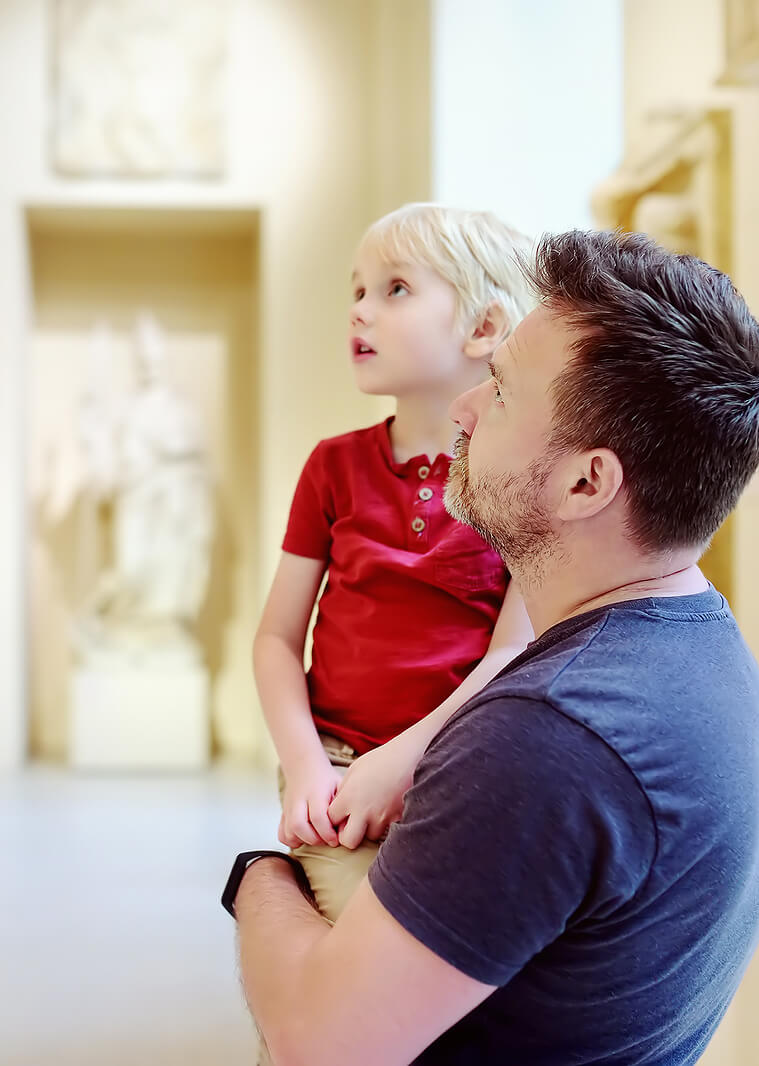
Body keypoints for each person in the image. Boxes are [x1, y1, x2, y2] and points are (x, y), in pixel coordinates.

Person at [226, 229, 759, 1065]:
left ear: (584, 482)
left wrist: (257, 879)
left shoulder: (544, 741)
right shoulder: (703, 647)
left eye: (496, 390)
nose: (462, 409)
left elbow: (320, 1042)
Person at [254, 203, 536, 922]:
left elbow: (513, 652)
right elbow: (275, 640)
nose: (359, 312)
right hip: (338, 768)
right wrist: (305, 768)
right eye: (356, 291)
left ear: (484, 327)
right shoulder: (332, 468)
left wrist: (406, 762)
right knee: (354, 958)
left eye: (394, 289)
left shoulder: (515, 483)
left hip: (464, 771)